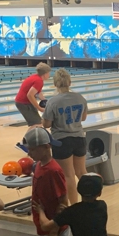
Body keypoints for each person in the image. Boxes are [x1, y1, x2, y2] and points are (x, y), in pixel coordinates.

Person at [18, 127, 73, 236]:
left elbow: (63, 202)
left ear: (46, 147)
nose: (29, 153)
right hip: (45, 225)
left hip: (55, 228)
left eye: (33, 149)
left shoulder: (53, 170)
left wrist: (53, 232)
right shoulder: (40, 166)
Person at [42, 68, 88, 206]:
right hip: (79, 138)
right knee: (82, 172)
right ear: (70, 82)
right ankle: (89, 202)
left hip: (61, 141)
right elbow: (83, 118)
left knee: (68, 175)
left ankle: (74, 206)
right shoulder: (80, 98)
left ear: (55, 84)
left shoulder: (53, 101)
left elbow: (46, 124)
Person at [15, 62, 51, 127]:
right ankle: (26, 137)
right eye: (48, 73)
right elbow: (30, 95)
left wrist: (46, 102)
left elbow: (38, 93)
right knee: (36, 125)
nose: (49, 75)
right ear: (45, 74)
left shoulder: (36, 77)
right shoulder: (38, 81)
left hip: (24, 102)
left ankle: (31, 137)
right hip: (23, 103)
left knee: (38, 123)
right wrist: (39, 108)